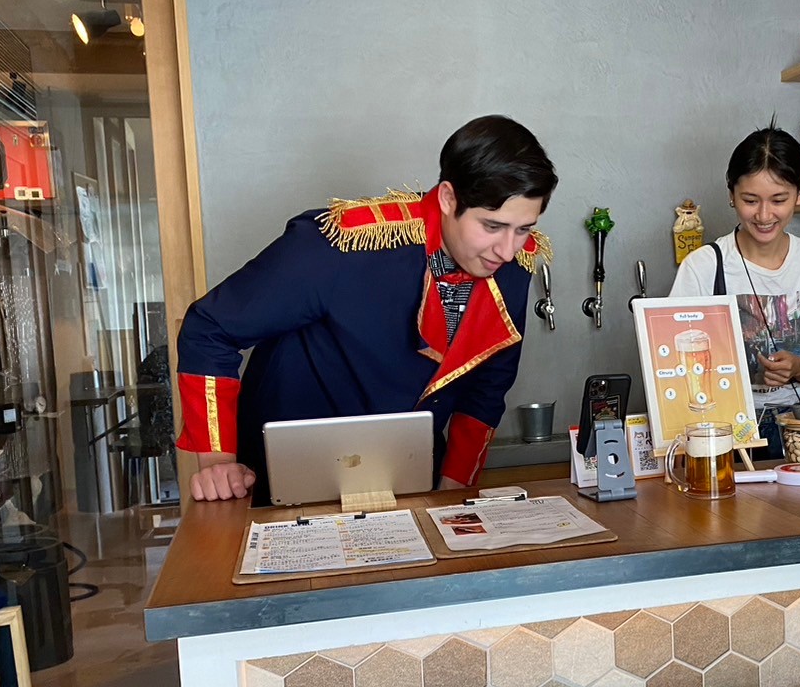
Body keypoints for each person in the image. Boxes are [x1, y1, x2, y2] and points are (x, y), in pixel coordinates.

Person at [175, 115, 557, 503]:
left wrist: (453, 489)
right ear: (447, 198)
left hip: (410, 482)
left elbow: (487, 386)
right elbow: (209, 328)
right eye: (492, 226)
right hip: (286, 486)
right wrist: (218, 462)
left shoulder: (514, 265)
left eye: (523, 229)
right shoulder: (342, 242)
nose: (507, 250)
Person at [670, 125, 800, 457]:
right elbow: (678, 372)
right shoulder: (702, 267)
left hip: (798, 431)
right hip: (723, 431)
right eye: (750, 200)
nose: (763, 215)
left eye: (778, 200)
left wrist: (799, 368)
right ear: (731, 194)